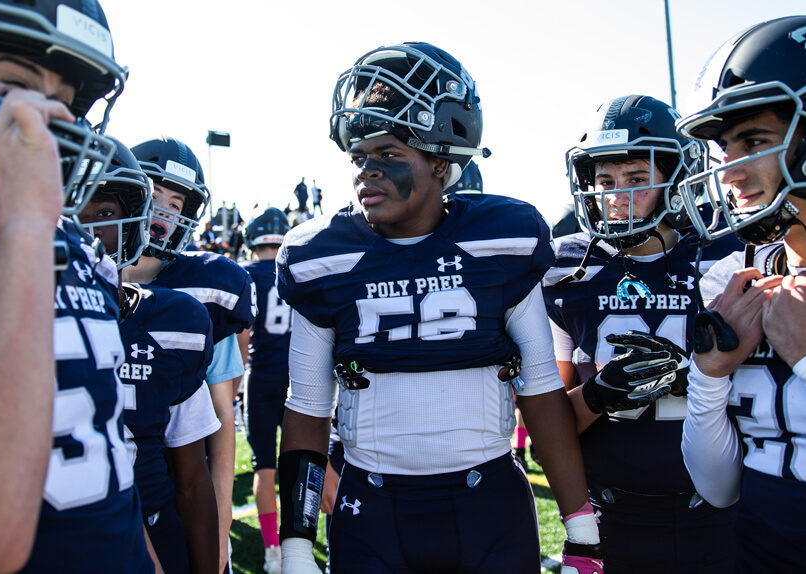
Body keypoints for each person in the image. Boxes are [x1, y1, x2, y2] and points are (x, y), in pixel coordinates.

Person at [276, 42, 601, 574]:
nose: (367, 172)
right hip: (373, 511)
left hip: (488, 504)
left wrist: (582, 531)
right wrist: (294, 546)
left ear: (439, 160)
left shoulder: (502, 240)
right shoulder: (322, 257)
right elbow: (308, 407)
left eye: (389, 156)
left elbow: (540, 386)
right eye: (360, 157)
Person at [0, 1, 156, 573]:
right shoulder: (33, 228)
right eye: (15, 86)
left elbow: (103, 461)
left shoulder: (74, 244)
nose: (43, 122)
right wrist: (22, 226)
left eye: (65, 105)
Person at [543, 94, 741, 573]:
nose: (616, 196)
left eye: (636, 179)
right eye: (605, 180)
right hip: (612, 514)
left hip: (720, 513)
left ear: (676, 181)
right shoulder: (563, 267)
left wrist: (699, 378)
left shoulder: (730, 255)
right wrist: (600, 392)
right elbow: (547, 426)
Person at [675, 16, 806, 573]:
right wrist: (710, 372)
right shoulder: (737, 279)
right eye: (724, 148)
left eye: (753, 141)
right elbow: (719, 487)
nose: (729, 171)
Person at [78, 139, 221, 574]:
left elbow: (193, 478)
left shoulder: (181, 318)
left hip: (158, 522)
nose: (90, 231)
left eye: (106, 215)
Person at [124, 137, 257, 574]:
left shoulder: (205, 293)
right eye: (153, 192)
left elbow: (220, 421)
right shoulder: (84, 272)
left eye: (176, 201)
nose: (163, 209)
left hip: (173, 481)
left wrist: (220, 529)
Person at [237, 206, 293, 574]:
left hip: (260, 376)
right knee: (300, 462)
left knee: (265, 466)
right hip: (296, 378)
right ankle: (296, 545)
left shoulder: (244, 274)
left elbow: (242, 336)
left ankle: (273, 549)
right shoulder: (295, 271)